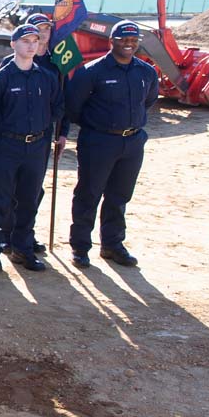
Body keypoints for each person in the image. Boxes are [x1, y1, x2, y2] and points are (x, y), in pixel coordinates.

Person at [66, 20, 159, 269]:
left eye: (133, 40)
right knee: (89, 194)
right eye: (123, 40)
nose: (129, 44)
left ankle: (112, 245)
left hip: (132, 142)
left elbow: (148, 101)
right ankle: (80, 247)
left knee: (119, 196)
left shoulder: (146, 72)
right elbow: (74, 107)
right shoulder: (92, 71)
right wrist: (100, 125)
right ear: (112, 41)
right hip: (99, 141)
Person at [0, 24, 64, 273]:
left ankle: (22, 249)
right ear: (13, 44)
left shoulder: (46, 78)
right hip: (6, 145)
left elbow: (57, 108)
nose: (30, 45)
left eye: (35, 41)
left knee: (29, 199)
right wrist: (11, 130)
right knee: (0, 199)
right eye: (25, 40)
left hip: (36, 146)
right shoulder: (0, 79)